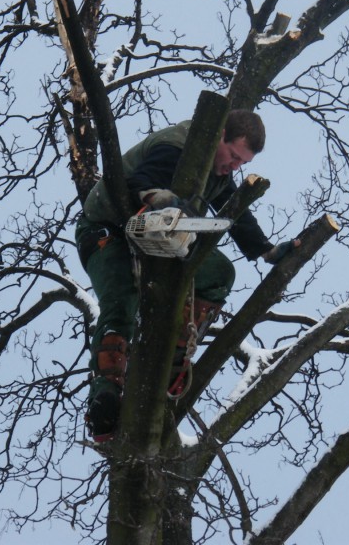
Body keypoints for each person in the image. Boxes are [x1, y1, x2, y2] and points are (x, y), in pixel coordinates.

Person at [74, 109, 296, 441]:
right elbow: (140, 179)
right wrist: (155, 196)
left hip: (158, 238)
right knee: (121, 301)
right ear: (220, 135)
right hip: (108, 231)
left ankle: (174, 356)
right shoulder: (175, 146)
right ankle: (105, 395)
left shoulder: (218, 170)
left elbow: (234, 208)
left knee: (218, 272)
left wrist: (265, 249)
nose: (234, 165)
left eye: (241, 163)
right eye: (234, 156)